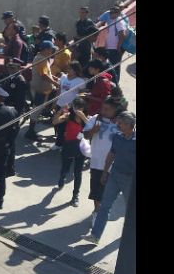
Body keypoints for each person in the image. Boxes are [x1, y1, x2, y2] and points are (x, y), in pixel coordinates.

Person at [84, 111, 135, 245]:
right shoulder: (117, 137)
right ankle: (95, 236)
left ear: (129, 125)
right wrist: (105, 172)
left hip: (129, 180)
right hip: (114, 176)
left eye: (121, 123)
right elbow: (111, 154)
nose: (118, 125)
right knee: (104, 206)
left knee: (131, 209)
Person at [83, 97, 120, 230]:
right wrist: (93, 131)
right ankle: (97, 213)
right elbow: (85, 135)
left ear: (115, 110)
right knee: (97, 191)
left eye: (107, 109)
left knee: (108, 191)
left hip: (114, 164)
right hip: (97, 163)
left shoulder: (120, 122)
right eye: (103, 108)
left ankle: (102, 210)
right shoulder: (95, 119)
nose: (103, 111)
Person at [52, 97, 89, 206]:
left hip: (81, 148)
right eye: (76, 107)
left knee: (78, 173)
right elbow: (55, 121)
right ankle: (62, 177)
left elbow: (91, 128)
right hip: (68, 146)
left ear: (83, 108)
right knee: (65, 168)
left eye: (80, 108)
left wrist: (83, 117)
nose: (77, 110)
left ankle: (75, 196)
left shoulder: (86, 118)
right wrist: (59, 112)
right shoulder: (68, 116)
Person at [25, 41, 60, 141]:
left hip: (41, 89)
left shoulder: (42, 57)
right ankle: (30, 132)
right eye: (51, 49)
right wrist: (55, 83)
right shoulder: (41, 59)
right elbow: (44, 75)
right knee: (36, 110)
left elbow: (46, 72)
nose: (52, 51)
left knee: (38, 109)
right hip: (39, 89)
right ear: (46, 49)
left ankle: (31, 130)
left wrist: (54, 78)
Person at [102, 5, 128, 84]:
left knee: (114, 68)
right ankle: (112, 84)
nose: (110, 14)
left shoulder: (119, 21)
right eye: (110, 12)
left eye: (113, 13)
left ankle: (115, 84)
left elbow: (122, 34)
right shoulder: (114, 21)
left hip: (114, 49)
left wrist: (118, 46)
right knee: (111, 67)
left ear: (118, 13)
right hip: (111, 48)